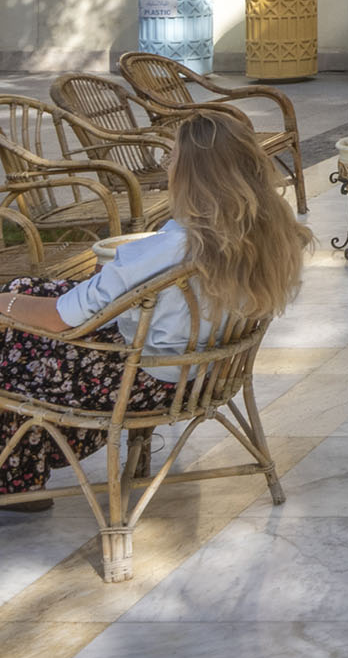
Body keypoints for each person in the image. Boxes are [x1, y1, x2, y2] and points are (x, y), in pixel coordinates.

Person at [0, 106, 309, 509]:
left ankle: (18, 476)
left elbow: (61, 319)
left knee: (16, 334)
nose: (167, 168)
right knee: (27, 287)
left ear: (192, 174)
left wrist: (5, 304)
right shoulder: (263, 233)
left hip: (145, 382)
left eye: (172, 160)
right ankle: (22, 468)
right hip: (205, 370)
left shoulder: (167, 250)